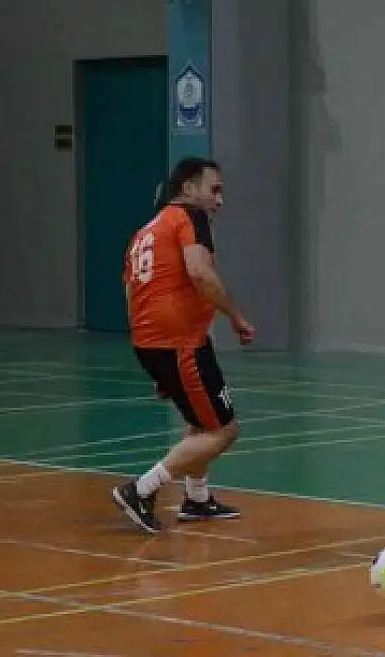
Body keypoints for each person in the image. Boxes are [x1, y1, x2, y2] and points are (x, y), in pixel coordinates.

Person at [110, 156, 256, 534]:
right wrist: (236, 317)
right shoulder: (190, 217)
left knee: (199, 420)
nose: (220, 200)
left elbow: (131, 291)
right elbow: (200, 273)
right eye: (214, 190)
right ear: (188, 189)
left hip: (152, 340)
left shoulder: (146, 231)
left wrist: (154, 356)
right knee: (223, 431)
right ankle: (141, 490)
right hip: (179, 341)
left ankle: (197, 498)